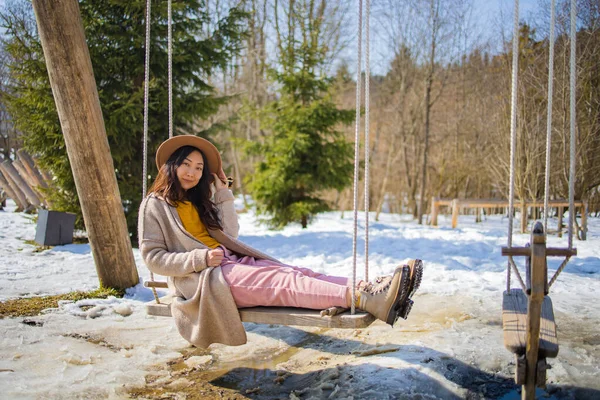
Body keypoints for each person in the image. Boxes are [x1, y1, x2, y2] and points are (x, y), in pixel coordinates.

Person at [138, 135, 423, 348]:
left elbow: (230, 234)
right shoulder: (155, 204)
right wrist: (198, 259)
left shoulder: (198, 201)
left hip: (228, 263)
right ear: (172, 166)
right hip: (203, 279)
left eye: (199, 168)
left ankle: (367, 287)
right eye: (186, 164)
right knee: (284, 285)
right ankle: (366, 300)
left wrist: (223, 193)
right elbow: (153, 257)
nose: (192, 172)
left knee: (296, 273)